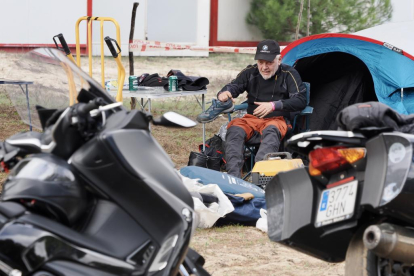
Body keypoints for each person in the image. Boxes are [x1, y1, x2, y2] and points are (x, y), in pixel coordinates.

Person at [218, 39, 307, 178]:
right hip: (251, 119)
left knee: (271, 131)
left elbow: (300, 100)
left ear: (279, 59)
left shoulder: (289, 74)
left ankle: (260, 177)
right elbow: (234, 86)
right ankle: (233, 178)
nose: (264, 67)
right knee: (234, 129)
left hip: (277, 120)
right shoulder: (250, 72)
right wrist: (224, 93)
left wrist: (274, 105)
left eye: (269, 63)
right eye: (261, 62)